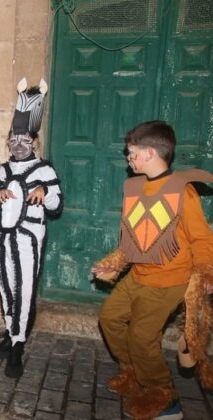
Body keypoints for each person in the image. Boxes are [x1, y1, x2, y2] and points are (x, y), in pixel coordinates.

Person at [92, 120, 213, 419]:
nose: (128, 157)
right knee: (109, 318)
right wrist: (115, 263)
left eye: (132, 152)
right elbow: (138, 236)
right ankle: (133, 371)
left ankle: (164, 397)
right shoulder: (138, 187)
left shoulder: (183, 192)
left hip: (169, 281)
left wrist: (207, 271)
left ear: (149, 152)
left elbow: (201, 237)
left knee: (142, 336)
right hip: (138, 276)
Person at [0, 78, 62, 378]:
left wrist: (45, 192)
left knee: (25, 289)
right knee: (6, 286)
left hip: (28, 240)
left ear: (34, 140)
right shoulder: (1, 170)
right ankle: (10, 333)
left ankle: (18, 345)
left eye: (24, 139)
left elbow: (56, 206)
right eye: (13, 139)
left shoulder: (45, 169)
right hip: (3, 239)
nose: (18, 144)